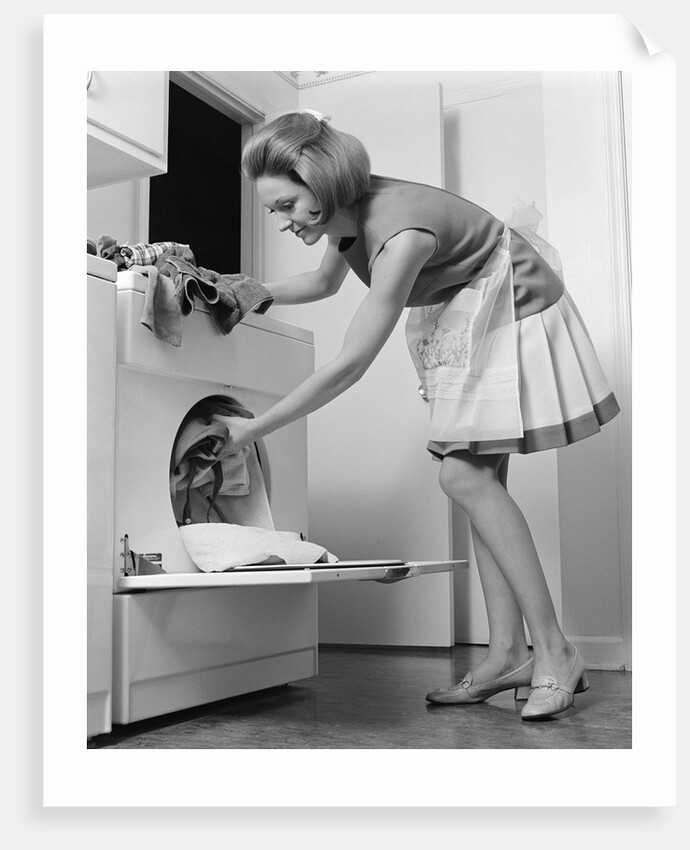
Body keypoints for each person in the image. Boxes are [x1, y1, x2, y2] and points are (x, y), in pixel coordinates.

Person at [216, 109, 620, 721]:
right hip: (469, 302)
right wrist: (247, 288)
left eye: (286, 204)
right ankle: (508, 654)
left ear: (320, 183)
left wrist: (253, 429)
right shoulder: (343, 216)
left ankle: (556, 652)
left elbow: (351, 363)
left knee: (463, 476)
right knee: (481, 481)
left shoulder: (401, 237)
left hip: (511, 302)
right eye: (272, 208)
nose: (279, 221)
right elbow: (325, 285)